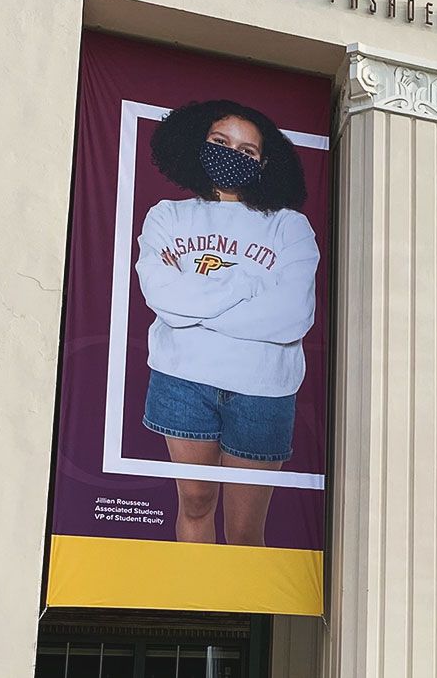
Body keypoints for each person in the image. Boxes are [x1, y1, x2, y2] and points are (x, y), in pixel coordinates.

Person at [134, 99, 318, 547]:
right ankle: (194, 607)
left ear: (264, 162)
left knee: (245, 530)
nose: (232, 154)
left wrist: (195, 305)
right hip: (181, 381)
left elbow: (293, 315)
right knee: (195, 504)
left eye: (247, 150)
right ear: (199, 143)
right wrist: (247, 285)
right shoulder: (167, 216)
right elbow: (161, 296)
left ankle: (238, 612)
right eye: (220, 142)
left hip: (262, 391)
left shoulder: (289, 227)